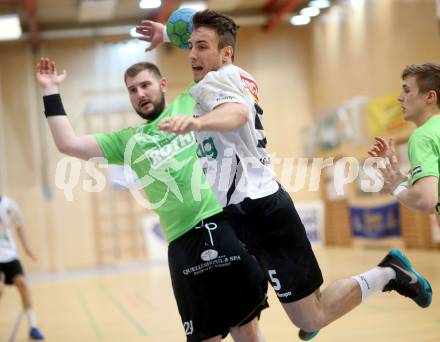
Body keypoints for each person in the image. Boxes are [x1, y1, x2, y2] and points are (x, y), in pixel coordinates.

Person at [138, 10, 433, 340]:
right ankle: (315, 307)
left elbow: (236, 113)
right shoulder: (234, 74)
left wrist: (198, 123)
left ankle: (388, 273)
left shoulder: (216, 82)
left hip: (262, 213)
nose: (191, 54)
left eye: (201, 47)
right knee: (297, 314)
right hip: (243, 214)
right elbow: (214, 57)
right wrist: (168, 34)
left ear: (226, 53)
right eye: (189, 45)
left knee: (312, 316)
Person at [35, 58, 268, 342]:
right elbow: (67, 143)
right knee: (206, 338)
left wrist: (171, 34)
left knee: (246, 331)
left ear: (163, 84)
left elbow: (227, 87)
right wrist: (50, 90)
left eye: (145, 85)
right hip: (182, 244)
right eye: (132, 90)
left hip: (221, 225)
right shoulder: (129, 140)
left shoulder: (190, 102)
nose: (140, 94)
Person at [368, 63, 439, 217]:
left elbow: (426, 200)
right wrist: (400, 178)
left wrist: (396, 187)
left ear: (430, 97)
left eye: (407, 91)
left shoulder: (423, 135)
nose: (400, 98)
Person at [0, 195, 45, 340]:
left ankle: (33, 327)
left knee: (23, 284)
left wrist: (27, 248)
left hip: (9, 254)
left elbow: (19, 227)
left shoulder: (9, 205)